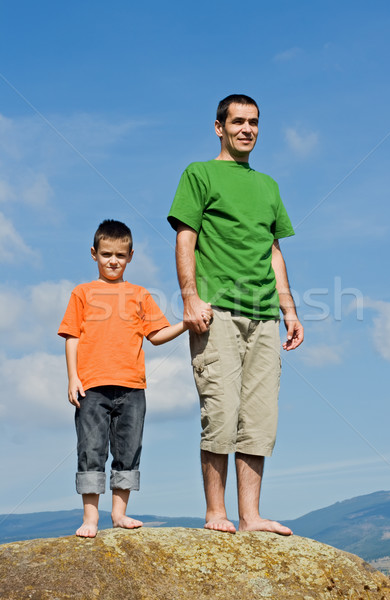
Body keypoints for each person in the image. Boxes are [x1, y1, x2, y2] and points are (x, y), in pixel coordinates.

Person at [168, 94, 304, 535]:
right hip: (216, 312)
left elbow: (273, 250)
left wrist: (290, 309)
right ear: (219, 127)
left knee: (259, 419)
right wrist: (189, 297)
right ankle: (216, 513)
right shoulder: (199, 173)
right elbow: (185, 237)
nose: (247, 129)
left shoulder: (268, 185)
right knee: (221, 413)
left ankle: (251, 517)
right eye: (239, 121)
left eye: (255, 123)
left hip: (264, 315)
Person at [58, 219, 211, 538]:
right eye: (106, 254)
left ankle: (119, 514)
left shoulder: (140, 295)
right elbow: (71, 336)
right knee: (91, 450)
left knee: (128, 450)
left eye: (120, 255)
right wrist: (72, 377)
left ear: (130, 256)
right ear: (94, 254)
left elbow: (156, 335)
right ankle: (90, 518)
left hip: (132, 388)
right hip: (91, 387)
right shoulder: (82, 293)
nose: (112, 260)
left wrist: (185, 323)